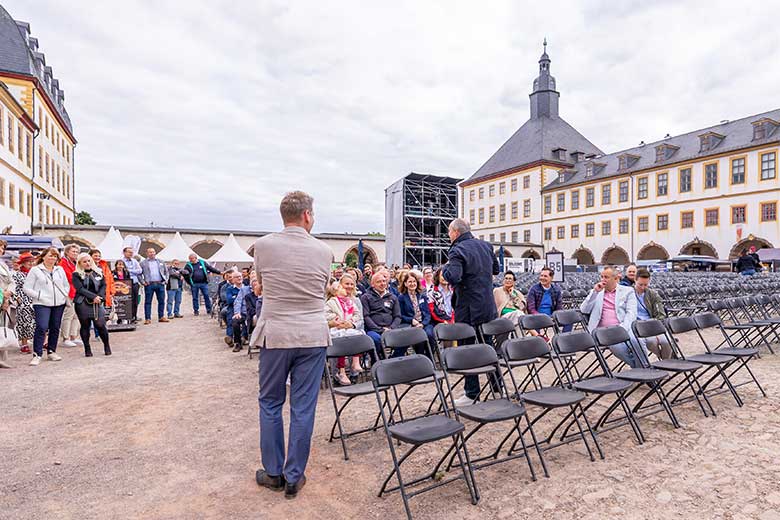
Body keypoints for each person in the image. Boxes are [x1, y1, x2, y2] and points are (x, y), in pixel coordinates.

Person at [252, 191, 333, 499]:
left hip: (276, 334)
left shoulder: (264, 245)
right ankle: (294, 475)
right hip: (312, 334)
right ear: (307, 216)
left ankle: (273, 472)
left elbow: (260, 283)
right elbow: (323, 287)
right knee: (303, 407)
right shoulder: (324, 250)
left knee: (270, 402)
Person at [442, 218, 500, 406]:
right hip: (486, 305)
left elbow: (454, 276)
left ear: (456, 232)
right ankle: (498, 388)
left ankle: (471, 393)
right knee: (487, 346)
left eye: (449, 232)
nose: (449, 236)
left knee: (468, 349)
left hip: (467, 308)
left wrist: (445, 268)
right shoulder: (486, 246)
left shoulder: (456, 250)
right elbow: (496, 270)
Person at [580, 265, 639, 367]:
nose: (603, 280)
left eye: (606, 277)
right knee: (617, 346)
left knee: (637, 342)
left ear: (616, 279)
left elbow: (631, 313)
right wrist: (594, 293)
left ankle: (642, 368)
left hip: (623, 328)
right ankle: (640, 369)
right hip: (603, 332)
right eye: (602, 277)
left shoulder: (628, 291)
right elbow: (584, 309)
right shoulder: (596, 292)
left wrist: (622, 329)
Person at [23, 247, 70, 366]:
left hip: (58, 303)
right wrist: (39, 295)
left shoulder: (59, 269)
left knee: (55, 327)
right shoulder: (35, 270)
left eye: (55, 256)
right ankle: (37, 354)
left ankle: (51, 351)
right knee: (42, 327)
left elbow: (66, 285)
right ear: (43, 256)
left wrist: (63, 295)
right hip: (41, 303)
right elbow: (26, 288)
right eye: (50, 255)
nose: (53, 258)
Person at [324, 273, 365, 385]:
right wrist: (335, 322)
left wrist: (351, 324)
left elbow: (360, 319)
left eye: (352, 284)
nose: (349, 286)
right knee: (338, 342)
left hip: (351, 327)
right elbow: (325, 317)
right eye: (346, 284)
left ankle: (354, 372)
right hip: (336, 328)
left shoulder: (355, 301)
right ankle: (337, 374)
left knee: (357, 337)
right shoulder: (332, 301)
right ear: (340, 285)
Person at [72, 253, 111, 357]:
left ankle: (106, 345)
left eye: (89, 261)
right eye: (84, 262)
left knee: (100, 325)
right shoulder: (76, 274)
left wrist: (100, 297)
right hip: (82, 303)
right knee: (85, 325)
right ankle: (87, 348)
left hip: (97, 302)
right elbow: (80, 289)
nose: (87, 263)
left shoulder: (98, 272)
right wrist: (93, 297)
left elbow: (103, 285)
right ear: (80, 263)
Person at [359, 272, 401, 361]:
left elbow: (397, 316)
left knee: (405, 337)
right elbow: (366, 316)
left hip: (390, 328)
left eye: (384, 281)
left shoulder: (393, 297)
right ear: (372, 284)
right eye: (379, 282)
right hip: (373, 330)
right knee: (376, 339)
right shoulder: (365, 297)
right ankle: (378, 361)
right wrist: (380, 329)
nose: (382, 284)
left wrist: (391, 328)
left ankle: (392, 359)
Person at [633, 268, 670, 360]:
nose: (643, 287)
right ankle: (665, 361)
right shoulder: (629, 293)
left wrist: (656, 330)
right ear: (635, 280)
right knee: (651, 342)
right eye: (640, 284)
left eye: (646, 284)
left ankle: (665, 362)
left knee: (667, 342)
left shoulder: (652, 294)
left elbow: (660, 314)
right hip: (637, 326)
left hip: (652, 324)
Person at [396, 270, 435, 358]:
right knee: (419, 338)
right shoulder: (401, 297)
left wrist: (423, 323)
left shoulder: (422, 295)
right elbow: (401, 315)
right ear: (405, 284)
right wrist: (412, 321)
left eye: (414, 281)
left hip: (424, 323)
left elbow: (427, 313)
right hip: (411, 324)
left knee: (429, 334)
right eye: (410, 282)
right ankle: (420, 358)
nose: (412, 284)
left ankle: (430, 358)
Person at [58, 244, 83, 348]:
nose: (76, 253)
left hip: (77, 291)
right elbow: (69, 277)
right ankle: (66, 338)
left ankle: (74, 336)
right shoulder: (63, 263)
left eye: (77, 252)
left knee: (76, 315)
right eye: (73, 251)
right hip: (69, 292)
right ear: (67, 252)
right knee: (68, 315)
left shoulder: (75, 263)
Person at [11, 252, 35, 355]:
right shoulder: (17, 274)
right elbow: (13, 287)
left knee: (38, 322)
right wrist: (16, 298)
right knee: (24, 322)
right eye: (28, 261)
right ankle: (24, 344)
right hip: (23, 301)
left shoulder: (35, 273)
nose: (30, 263)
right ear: (23, 263)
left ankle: (42, 342)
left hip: (35, 300)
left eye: (31, 261)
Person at [140, 247, 169, 324]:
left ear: (155, 253)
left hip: (160, 284)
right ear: (147, 253)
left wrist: (166, 280)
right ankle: (147, 318)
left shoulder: (161, 261)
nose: (152, 253)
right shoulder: (143, 263)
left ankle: (161, 316)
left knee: (162, 301)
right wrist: (143, 282)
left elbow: (166, 272)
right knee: (148, 302)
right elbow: (139, 274)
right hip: (149, 284)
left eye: (153, 252)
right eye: (150, 252)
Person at [121, 247, 143, 322]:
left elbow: (140, 271)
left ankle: (134, 316)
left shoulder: (135, 261)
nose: (131, 253)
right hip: (124, 284)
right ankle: (125, 317)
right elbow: (121, 270)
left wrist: (129, 270)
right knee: (125, 301)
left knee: (135, 301)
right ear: (124, 253)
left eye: (132, 252)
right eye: (129, 252)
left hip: (134, 284)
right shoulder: (121, 261)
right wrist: (134, 271)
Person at [224, 271, 244, 349]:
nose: (239, 278)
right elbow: (229, 300)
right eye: (237, 277)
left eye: (240, 276)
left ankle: (243, 337)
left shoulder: (246, 287)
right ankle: (229, 338)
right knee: (231, 319)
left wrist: (235, 297)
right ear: (233, 279)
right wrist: (240, 299)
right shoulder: (230, 289)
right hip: (232, 308)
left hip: (245, 308)